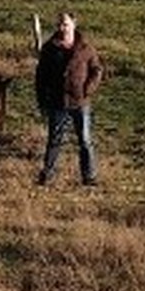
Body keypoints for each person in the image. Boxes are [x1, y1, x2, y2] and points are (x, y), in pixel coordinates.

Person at [35, 10, 104, 187]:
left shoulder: (85, 48)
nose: (62, 28)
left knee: (85, 140)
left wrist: (87, 89)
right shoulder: (50, 49)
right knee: (54, 140)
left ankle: (89, 177)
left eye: (65, 24)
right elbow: (41, 76)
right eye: (59, 24)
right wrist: (42, 100)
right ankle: (48, 175)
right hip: (57, 101)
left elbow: (97, 70)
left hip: (80, 102)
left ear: (74, 24)